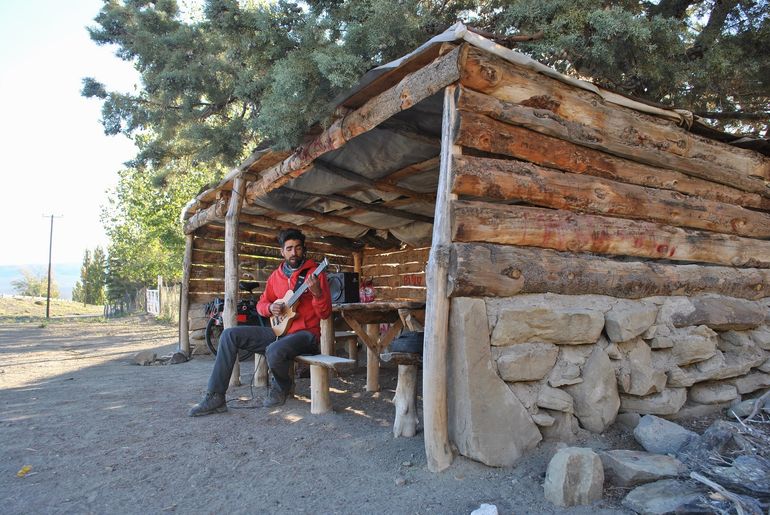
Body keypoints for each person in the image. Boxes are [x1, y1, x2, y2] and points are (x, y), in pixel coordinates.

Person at [189, 228, 332, 416]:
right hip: (280, 332)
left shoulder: (315, 274)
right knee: (230, 334)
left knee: (274, 349)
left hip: (306, 335)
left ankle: (282, 386)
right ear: (282, 251)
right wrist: (270, 308)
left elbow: (325, 313)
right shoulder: (276, 276)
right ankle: (216, 396)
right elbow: (261, 304)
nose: (293, 253)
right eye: (289, 248)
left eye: (298, 248)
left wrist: (317, 293)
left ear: (303, 249)